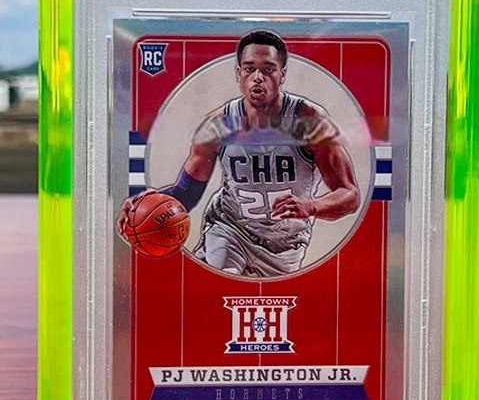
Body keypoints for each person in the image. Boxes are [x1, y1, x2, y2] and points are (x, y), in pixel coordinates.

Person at [118, 29, 360, 277]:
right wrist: (143, 205)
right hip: (229, 229)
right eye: (249, 69)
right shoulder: (218, 126)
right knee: (219, 279)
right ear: (238, 73)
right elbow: (187, 193)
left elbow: (349, 195)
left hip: (285, 246)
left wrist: (312, 206)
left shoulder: (309, 121)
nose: (258, 77)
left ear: (282, 74)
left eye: (268, 69)